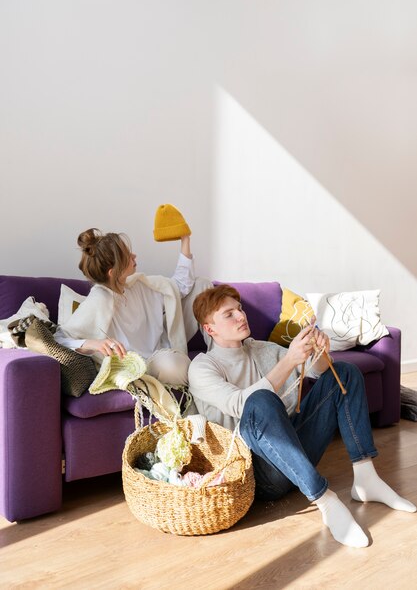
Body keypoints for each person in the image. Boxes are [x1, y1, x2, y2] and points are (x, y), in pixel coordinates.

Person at [188, 284, 416, 548]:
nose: (241, 316)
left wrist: (319, 351)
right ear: (209, 328)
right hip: (257, 473)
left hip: (295, 450)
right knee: (260, 401)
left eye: (240, 309)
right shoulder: (202, 366)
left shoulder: (263, 348)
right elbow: (241, 404)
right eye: (229, 314)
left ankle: (366, 478)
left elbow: (318, 371)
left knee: (344, 372)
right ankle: (326, 501)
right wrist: (289, 361)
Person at [55, 228, 209, 386]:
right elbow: (59, 338)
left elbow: (180, 286)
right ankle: (200, 379)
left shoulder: (137, 284)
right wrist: (91, 343)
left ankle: (221, 357)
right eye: (127, 256)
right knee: (172, 364)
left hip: (165, 346)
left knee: (202, 286)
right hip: (145, 364)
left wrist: (185, 239)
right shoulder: (98, 299)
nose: (134, 256)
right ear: (113, 272)